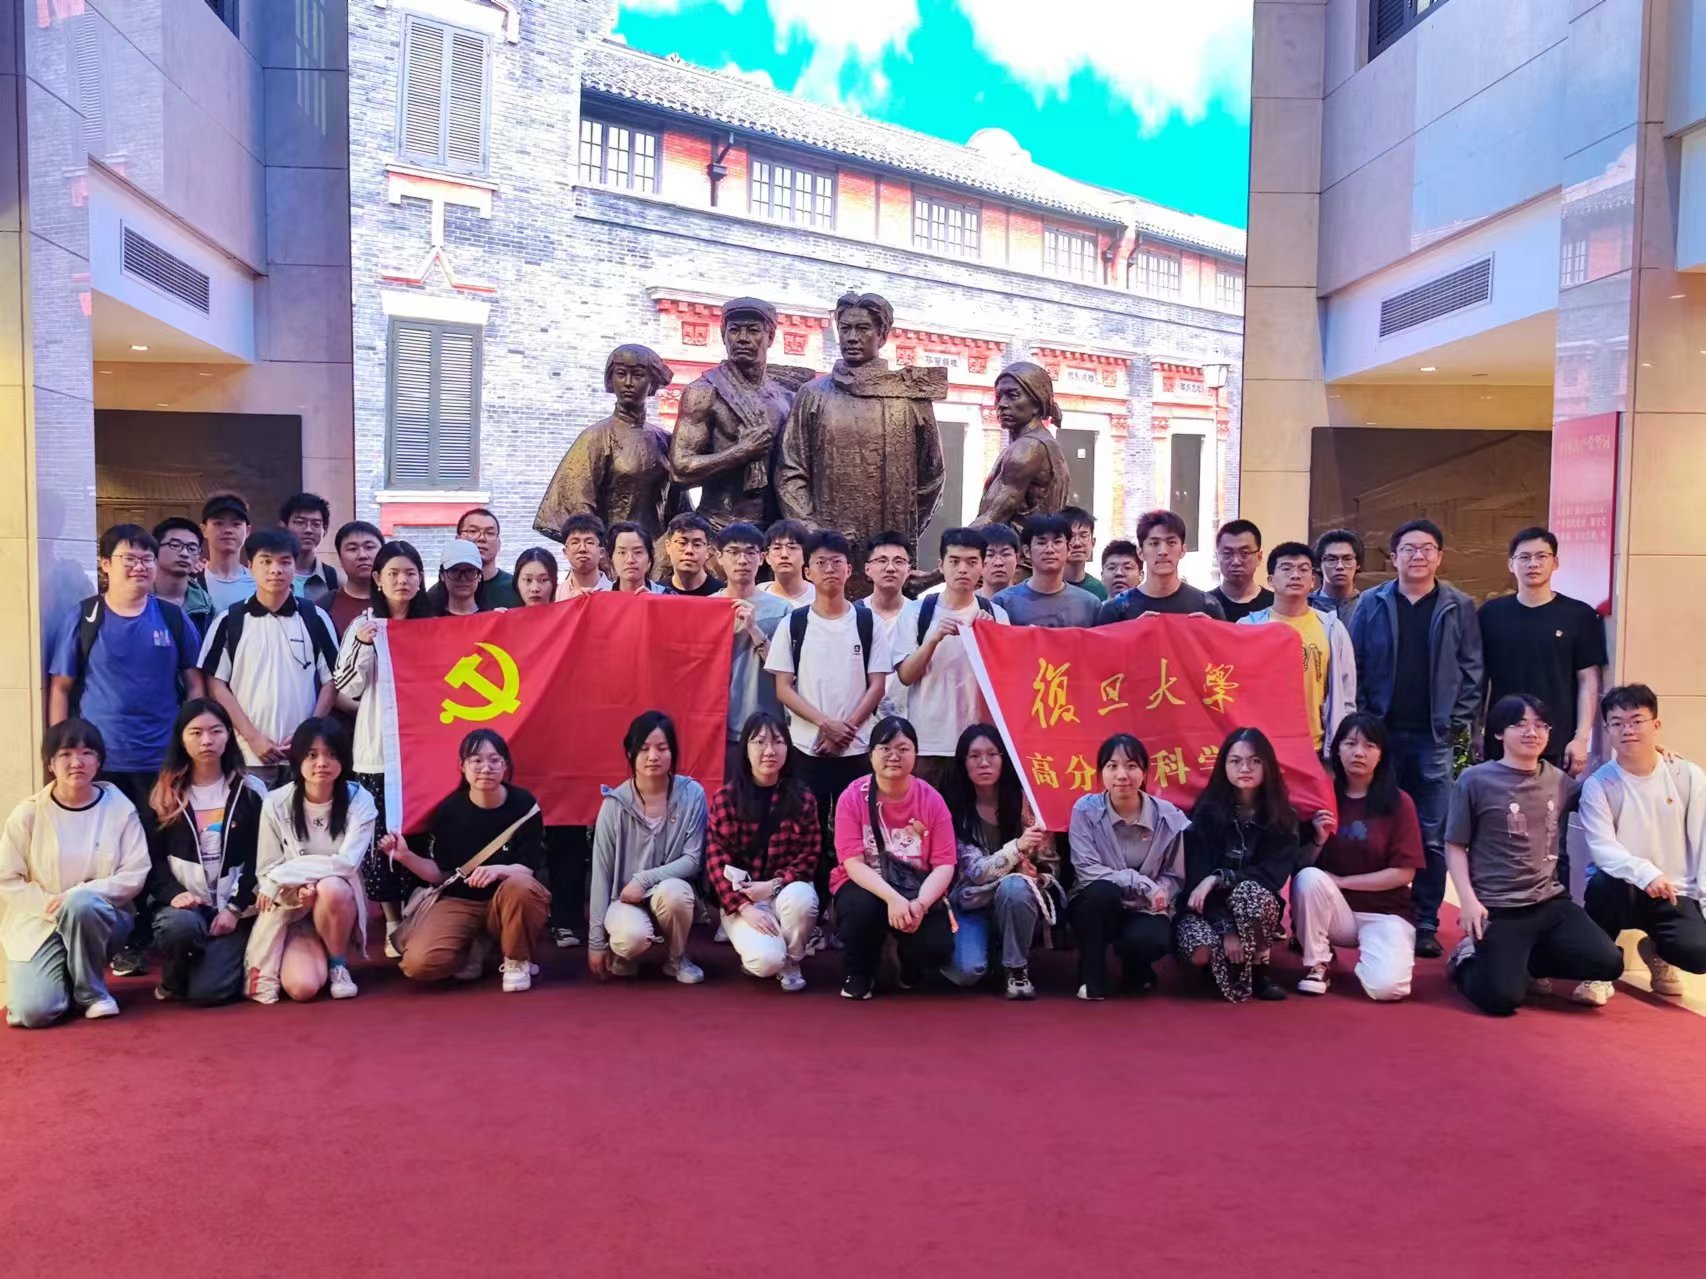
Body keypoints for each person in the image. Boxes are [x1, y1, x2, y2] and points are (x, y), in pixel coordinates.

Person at [49, 524, 204, 976]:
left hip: (161, 759)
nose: (139, 567)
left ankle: (152, 936)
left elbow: (195, 685)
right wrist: (59, 754)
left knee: (157, 848)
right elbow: (61, 688)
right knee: (109, 852)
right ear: (105, 564)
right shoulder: (84, 617)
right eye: (128, 559)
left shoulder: (172, 618)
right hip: (102, 762)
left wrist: (193, 750)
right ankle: (115, 937)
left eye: (146, 559)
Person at [1349, 518, 1483, 958]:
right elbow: (1355, 664)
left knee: (1431, 832)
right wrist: (1365, 719)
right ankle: (1374, 911)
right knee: (1376, 824)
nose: (1418, 555)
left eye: (1427, 548)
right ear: (1394, 556)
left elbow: (1473, 669)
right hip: (1380, 736)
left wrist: (1456, 720)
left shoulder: (1458, 605)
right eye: (1408, 548)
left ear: (1440, 557)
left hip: (1432, 737)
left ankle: (1425, 919)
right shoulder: (1371, 602)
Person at [1444, 695, 1622, 1016]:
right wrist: (1467, 901)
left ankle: (1519, 962)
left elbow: (1605, 789)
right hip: (1501, 908)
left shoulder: (1558, 780)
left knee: (1608, 962)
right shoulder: (1474, 780)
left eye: (1541, 725)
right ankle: (1466, 959)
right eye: (1520, 724)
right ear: (1499, 732)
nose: (1532, 732)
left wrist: (1652, 757)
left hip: (1550, 902)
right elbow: (1455, 845)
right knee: (1501, 1000)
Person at [775, 291, 946, 599]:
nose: (852, 337)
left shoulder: (908, 398)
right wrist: (815, 533)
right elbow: (791, 470)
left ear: (882, 335)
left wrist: (902, 529)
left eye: (863, 328)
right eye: (845, 328)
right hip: (829, 550)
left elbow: (931, 476)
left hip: (889, 550)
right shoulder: (813, 394)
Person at [763, 531, 890, 894]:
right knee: (808, 831)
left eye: (837, 562)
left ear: (850, 570)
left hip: (857, 748)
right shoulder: (795, 623)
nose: (829, 569)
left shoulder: (868, 622)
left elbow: (877, 685)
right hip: (807, 748)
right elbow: (783, 687)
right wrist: (825, 725)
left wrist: (845, 729)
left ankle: (853, 900)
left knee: (859, 830)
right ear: (808, 571)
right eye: (821, 563)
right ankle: (812, 901)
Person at [0, 719, 149, 1026]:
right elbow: (7, 878)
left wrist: (81, 893)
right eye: (65, 754)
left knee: (81, 904)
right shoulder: (28, 813)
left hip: (101, 917)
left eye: (87, 753)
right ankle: (63, 978)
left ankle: (90, 994)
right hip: (41, 919)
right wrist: (51, 905)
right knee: (34, 1012)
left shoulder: (120, 809)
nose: (76, 762)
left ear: (99, 761)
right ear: (50, 764)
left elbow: (135, 873)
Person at [382, 730, 549, 993]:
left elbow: (527, 868)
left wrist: (498, 870)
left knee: (521, 886)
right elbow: (441, 874)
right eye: (476, 761)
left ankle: (516, 960)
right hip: (460, 901)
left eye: (494, 760)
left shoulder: (524, 805)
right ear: (462, 766)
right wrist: (405, 856)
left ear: (505, 765)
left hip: (506, 899)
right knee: (419, 965)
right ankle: (473, 949)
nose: (486, 768)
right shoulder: (449, 811)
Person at [332, 540, 434, 953]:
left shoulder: (434, 625)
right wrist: (364, 645)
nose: (402, 580)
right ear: (377, 579)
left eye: (410, 573)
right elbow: (347, 687)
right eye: (393, 573)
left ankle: (419, 913)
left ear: (421, 579)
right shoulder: (364, 626)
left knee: (421, 835)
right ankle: (392, 920)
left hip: (425, 753)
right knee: (382, 839)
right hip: (377, 749)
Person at [1576, 684, 1706, 1004]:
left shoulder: (1687, 776)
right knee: (1601, 884)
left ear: (1656, 725)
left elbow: (1704, 844)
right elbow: (1603, 849)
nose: (1628, 730)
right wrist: (1646, 873)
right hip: (1621, 888)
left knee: (1699, 953)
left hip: (1675, 891)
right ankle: (1600, 968)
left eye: (1637, 721)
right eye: (1617, 723)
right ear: (1607, 730)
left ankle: (1657, 951)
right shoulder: (1599, 784)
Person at [1176, 728, 1315, 1002]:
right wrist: (1227, 928)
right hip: (1207, 910)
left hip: (1253, 907)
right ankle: (1222, 963)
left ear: (1268, 766)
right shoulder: (1206, 812)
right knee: (1200, 950)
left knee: (1249, 893)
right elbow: (1195, 879)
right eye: (1235, 761)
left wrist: (1219, 878)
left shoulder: (1283, 817)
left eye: (1255, 761)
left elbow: (1272, 877)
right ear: (1223, 766)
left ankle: (1259, 969)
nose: (1245, 768)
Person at [1291, 713, 1424, 1000]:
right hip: (1335, 912)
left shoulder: (1399, 803)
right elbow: (1299, 867)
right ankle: (1318, 962)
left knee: (1388, 989)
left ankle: (1380, 956)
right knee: (1308, 878)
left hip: (1385, 912)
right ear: (1337, 749)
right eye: (1350, 743)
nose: (1359, 753)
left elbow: (1404, 873)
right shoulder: (1321, 799)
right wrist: (1318, 839)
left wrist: (1343, 882)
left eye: (1369, 745)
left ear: (1381, 754)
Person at [242, 719, 376, 1003]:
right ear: (298, 759)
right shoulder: (276, 802)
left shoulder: (360, 801)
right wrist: (292, 888)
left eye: (331, 754)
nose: (322, 763)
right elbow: (267, 869)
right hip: (294, 906)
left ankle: (338, 964)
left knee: (332, 886)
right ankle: (313, 950)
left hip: (339, 901)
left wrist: (285, 876)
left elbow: (347, 864)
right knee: (301, 989)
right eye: (312, 755)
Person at [147, 699, 266, 1005]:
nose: (207, 741)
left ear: (229, 735)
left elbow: (262, 858)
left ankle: (214, 962)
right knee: (180, 928)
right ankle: (175, 974)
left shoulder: (251, 791)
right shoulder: (165, 793)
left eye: (216, 731)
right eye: (196, 733)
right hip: (188, 907)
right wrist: (174, 894)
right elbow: (153, 860)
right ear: (181, 738)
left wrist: (235, 909)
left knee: (209, 993)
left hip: (235, 909)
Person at [198, 528, 339, 788]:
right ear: (250, 566)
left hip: (304, 757)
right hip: (247, 755)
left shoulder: (315, 617)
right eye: (266, 562)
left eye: (285, 562)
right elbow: (216, 684)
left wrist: (308, 735)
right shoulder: (230, 620)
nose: (275, 570)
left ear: (295, 567)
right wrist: (253, 738)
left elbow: (332, 680)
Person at [832, 716, 957, 1000]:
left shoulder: (932, 800)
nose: (894, 756)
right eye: (885, 748)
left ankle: (906, 962)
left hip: (916, 887)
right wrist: (893, 899)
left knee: (937, 947)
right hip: (867, 884)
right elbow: (852, 862)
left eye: (903, 749)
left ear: (916, 754)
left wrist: (920, 904)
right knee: (860, 909)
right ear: (871, 754)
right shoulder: (852, 797)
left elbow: (944, 864)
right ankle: (859, 972)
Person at [704, 711, 822, 991]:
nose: (769, 751)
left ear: (788, 748)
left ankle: (793, 960)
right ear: (745, 749)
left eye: (778, 742)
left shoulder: (803, 798)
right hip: (743, 899)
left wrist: (772, 885)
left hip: (783, 890)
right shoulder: (726, 799)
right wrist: (744, 907)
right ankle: (770, 952)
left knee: (803, 898)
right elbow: (716, 861)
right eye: (759, 742)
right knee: (765, 962)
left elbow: (809, 856)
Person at [586, 711, 707, 984]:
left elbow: (692, 859)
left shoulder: (692, 794)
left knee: (676, 893)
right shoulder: (614, 804)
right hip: (625, 899)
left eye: (662, 748)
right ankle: (624, 954)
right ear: (630, 752)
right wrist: (596, 943)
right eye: (644, 749)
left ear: (673, 752)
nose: (653, 756)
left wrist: (644, 879)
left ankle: (677, 959)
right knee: (631, 939)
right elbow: (601, 875)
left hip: (666, 891)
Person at [1067, 734, 1189, 1001]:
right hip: (1097, 901)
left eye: (1131, 766)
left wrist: (1157, 895)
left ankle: (1136, 964)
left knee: (1151, 940)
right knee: (1102, 892)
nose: (1122, 775)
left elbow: (1174, 875)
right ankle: (1091, 972)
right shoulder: (1085, 810)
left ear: (1144, 772)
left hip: (1145, 905)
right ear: (1101, 772)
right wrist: (1142, 883)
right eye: (1112, 766)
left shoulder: (1167, 816)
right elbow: (1086, 869)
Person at [667, 296, 801, 537]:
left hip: (772, 531)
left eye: (753, 330)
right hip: (718, 528)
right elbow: (680, 468)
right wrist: (741, 452)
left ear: (770, 337)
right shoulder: (704, 392)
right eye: (734, 330)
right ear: (723, 335)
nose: (742, 338)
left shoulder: (785, 398)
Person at [1477, 527, 1606, 775]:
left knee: (1554, 800)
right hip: (1503, 737)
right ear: (1511, 564)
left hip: (1557, 740)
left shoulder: (1579, 615)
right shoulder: (1490, 614)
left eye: (1541, 556)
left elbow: (1588, 680)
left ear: (1555, 563)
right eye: (1524, 557)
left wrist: (1581, 738)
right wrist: (1476, 730)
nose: (1533, 564)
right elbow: (1479, 679)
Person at [535, 344, 686, 548]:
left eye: (638, 375)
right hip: (612, 552)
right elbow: (578, 503)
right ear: (611, 380)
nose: (628, 383)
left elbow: (679, 509)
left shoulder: (664, 440)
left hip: (655, 553)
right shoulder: (595, 437)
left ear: (652, 383)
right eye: (621, 374)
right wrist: (602, 551)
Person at [943, 724, 1053, 998]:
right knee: (967, 972)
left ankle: (1016, 969)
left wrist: (1039, 875)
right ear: (963, 762)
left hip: (1016, 899)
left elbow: (1051, 863)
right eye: (974, 756)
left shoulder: (1027, 802)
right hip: (971, 902)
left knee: (1015, 887)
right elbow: (976, 872)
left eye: (992, 754)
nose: (984, 763)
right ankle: (992, 951)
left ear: (1004, 758)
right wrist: (1017, 847)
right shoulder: (953, 809)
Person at [894, 528, 1009, 787]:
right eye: (954, 561)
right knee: (927, 810)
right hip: (928, 740)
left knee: (976, 811)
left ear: (983, 566)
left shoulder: (996, 615)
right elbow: (906, 675)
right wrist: (933, 638)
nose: (962, 569)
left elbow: (1006, 681)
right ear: (941, 565)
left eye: (971, 562)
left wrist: (991, 637)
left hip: (979, 742)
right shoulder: (916, 612)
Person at [1237, 542, 1357, 755]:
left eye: (1303, 569)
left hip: (1316, 747)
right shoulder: (1248, 627)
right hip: (1262, 749)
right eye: (1286, 568)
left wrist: (1340, 750)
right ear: (1271, 580)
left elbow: (1346, 694)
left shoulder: (1332, 628)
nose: (1295, 575)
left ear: (1313, 581)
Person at [713, 523, 792, 770]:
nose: (742, 560)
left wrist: (754, 629)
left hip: (768, 727)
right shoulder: (705, 608)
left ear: (762, 557)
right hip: (718, 728)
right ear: (719, 557)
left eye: (750, 552)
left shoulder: (783, 609)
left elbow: (788, 671)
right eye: (733, 552)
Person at [971, 361, 1070, 543]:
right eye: (999, 396)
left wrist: (955, 549)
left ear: (1037, 403)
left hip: (1020, 556)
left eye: (1013, 395)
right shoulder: (1038, 442)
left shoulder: (1028, 448)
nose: (1002, 404)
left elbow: (991, 518)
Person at [1095, 510, 1227, 624]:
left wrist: (1210, 630)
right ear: (1140, 552)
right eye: (1154, 543)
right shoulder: (1116, 609)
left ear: (1183, 550)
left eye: (1171, 542)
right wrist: (1132, 631)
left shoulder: (1207, 606)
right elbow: (1101, 645)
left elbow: (1223, 645)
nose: (1163, 551)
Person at [992, 513, 1100, 628]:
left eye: (1057, 542)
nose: (1050, 549)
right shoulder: (1003, 603)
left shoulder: (1089, 605)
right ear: (1027, 551)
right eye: (1041, 542)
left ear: (1068, 548)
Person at [863, 531, 917, 718]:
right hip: (862, 724)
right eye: (881, 561)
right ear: (867, 569)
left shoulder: (920, 615)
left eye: (899, 561)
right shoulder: (854, 615)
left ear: (908, 570)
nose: (891, 568)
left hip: (911, 722)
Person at [426, 509, 524, 611]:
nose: (482, 538)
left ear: (499, 543)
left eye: (490, 533)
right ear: (457, 539)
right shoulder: (435, 595)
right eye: (473, 531)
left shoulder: (519, 589)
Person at [152, 516, 214, 634]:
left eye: (192, 548)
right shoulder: (137, 599)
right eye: (175, 545)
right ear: (155, 549)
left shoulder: (205, 606)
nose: (185, 553)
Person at [1208, 519, 1274, 623]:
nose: (1236, 561)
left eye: (1244, 553)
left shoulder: (1275, 605)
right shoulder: (1204, 604)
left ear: (1259, 557)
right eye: (1227, 553)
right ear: (1217, 557)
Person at [279, 493, 339, 607]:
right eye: (300, 522)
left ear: (324, 530)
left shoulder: (334, 579)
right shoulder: (268, 575)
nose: (308, 530)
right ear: (284, 527)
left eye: (316, 524)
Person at [199, 493, 255, 611]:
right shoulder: (192, 583)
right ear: (204, 530)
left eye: (236, 524)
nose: (228, 530)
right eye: (219, 523)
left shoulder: (259, 583)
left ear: (247, 531)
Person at [326, 520, 382, 636]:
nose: (362, 555)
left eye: (369, 547)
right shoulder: (323, 608)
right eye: (352, 549)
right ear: (340, 559)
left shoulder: (402, 602)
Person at [662, 512, 724, 596]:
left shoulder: (722, 595)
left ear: (708, 551)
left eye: (697, 545)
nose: (689, 550)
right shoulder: (657, 593)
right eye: (682, 543)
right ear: (668, 546)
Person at [1310, 528, 1363, 624]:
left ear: (1358, 564)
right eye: (1331, 559)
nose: (1340, 566)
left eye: (1347, 559)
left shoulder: (1369, 606)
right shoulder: (1304, 606)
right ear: (1318, 565)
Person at [760, 519, 815, 607]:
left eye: (792, 547)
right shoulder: (758, 596)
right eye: (777, 548)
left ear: (805, 555)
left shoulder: (820, 597)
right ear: (767, 557)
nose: (784, 555)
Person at [552, 515, 608, 600]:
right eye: (575, 542)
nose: (582, 549)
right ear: (565, 552)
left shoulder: (616, 592)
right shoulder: (554, 596)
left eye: (589, 542)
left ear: (601, 552)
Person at [1061, 506, 1108, 602]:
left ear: (1093, 543)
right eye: (1070, 536)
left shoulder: (1100, 591)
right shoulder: (1043, 587)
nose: (1077, 543)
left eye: (1084, 536)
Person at [607, 522, 667, 595]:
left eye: (638, 552)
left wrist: (655, 601)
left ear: (650, 558)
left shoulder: (667, 596)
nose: (630, 560)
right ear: (611, 560)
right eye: (622, 552)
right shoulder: (601, 597)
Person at [433, 540, 485, 616]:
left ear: (480, 575)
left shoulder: (493, 619)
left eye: (470, 571)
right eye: (454, 570)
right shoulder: (430, 620)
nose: (463, 578)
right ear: (442, 575)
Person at [980, 523, 1022, 598]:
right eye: (990, 555)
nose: (998, 563)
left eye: (1005, 554)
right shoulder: (966, 602)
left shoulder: (1030, 602)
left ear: (1017, 558)